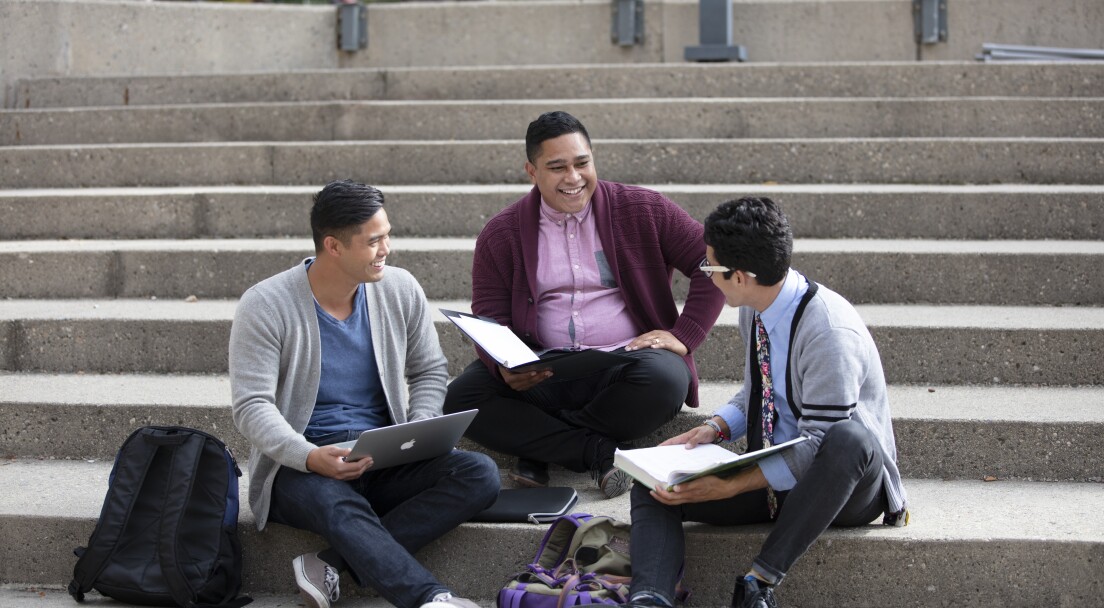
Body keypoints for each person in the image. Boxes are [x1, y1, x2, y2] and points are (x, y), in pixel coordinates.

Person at [625, 197, 909, 608]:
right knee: (652, 483)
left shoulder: (829, 330)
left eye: (710, 268)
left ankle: (759, 582)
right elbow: (758, 391)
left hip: (840, 488)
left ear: (740, 277)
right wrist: (716, 427)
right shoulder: (757, 306)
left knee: (849, 439)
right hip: (772, 474)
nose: (706, 276)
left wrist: (731, 484)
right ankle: (650, 598)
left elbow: (820, 443)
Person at [229, 180, 500, 608]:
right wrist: (309, 456)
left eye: (387, 235)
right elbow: (251, 406)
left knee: (479, 473)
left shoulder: (399, 288)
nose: (386, 249)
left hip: (382, 456)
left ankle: (330, 563)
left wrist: (419, 430)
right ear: (334, 246)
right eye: (373, 241)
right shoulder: (266, 304)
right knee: (336, 501)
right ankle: (430, 598)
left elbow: (429, 370)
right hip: (300, 468)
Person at [443, 111, 725, 498]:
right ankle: (599, 453)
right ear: (532, 171)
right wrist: (502, 365)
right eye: (557, 167)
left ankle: (538, 443)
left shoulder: (643, 208)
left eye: (582, 163)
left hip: (624, 363)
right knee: (462, 399)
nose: (573, 177)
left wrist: (685, 334)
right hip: (544, 372)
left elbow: (713, 263)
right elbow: (490, 313)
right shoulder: (502, 232)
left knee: (666, 380)